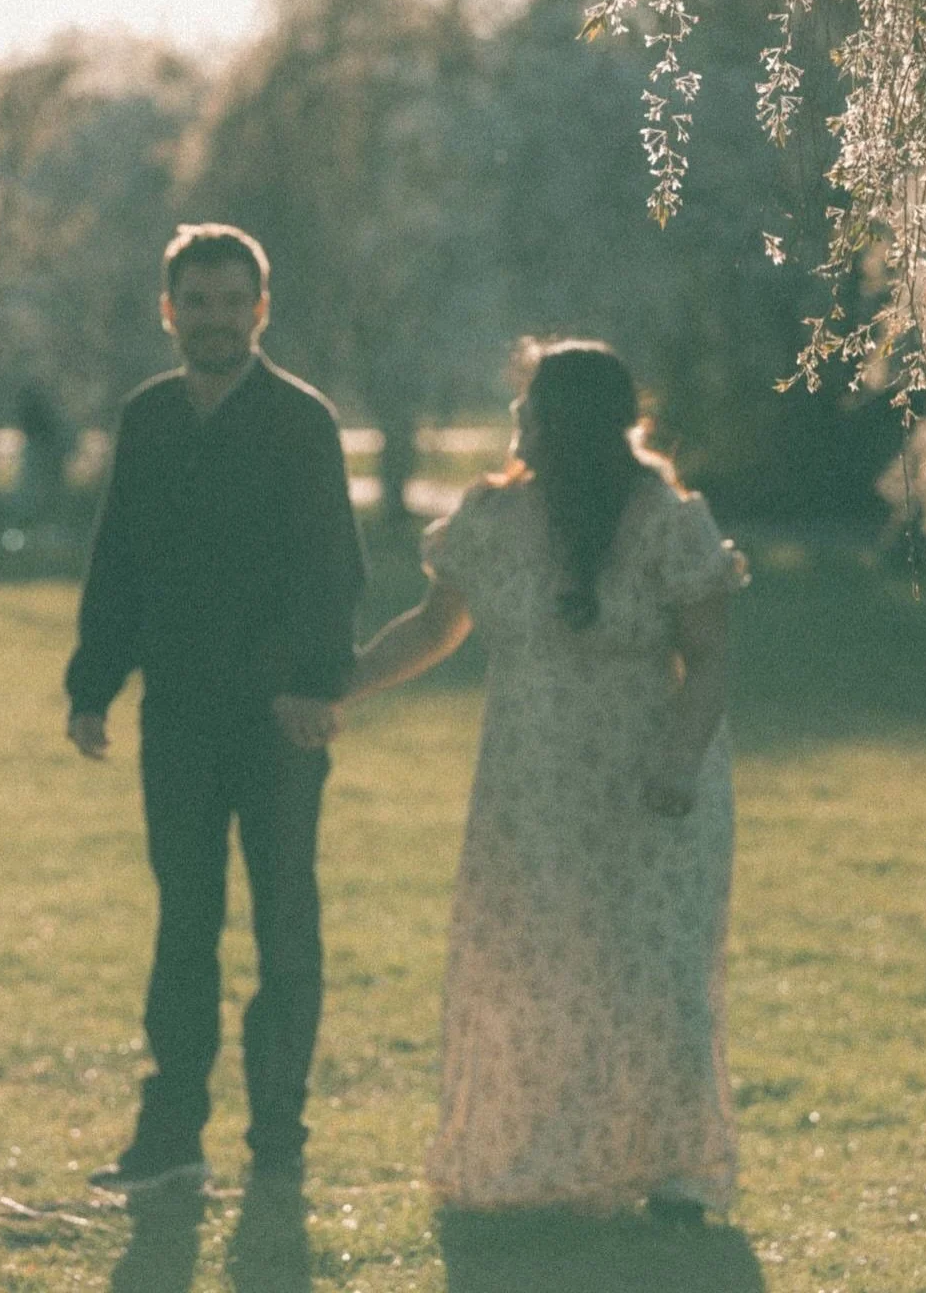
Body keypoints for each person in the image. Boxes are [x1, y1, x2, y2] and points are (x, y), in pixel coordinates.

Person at [347, 339, 746, 1219]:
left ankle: (671, 1173)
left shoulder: (670, 519)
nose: (519, 420)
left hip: (649, 783)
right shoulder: (491, 518)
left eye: (532, 407)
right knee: (534, 968)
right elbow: (430, 626)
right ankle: (545, 1166)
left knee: (651, 975)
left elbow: (710, 661)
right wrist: (347, 681)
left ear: (571, 423)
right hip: (531, 788)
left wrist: (678, 760)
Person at [65, 223, 364, 1193]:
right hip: (180, 716)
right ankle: (171, 1138)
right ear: (169, 310)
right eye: (197, 300)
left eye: (234, 301)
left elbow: (334, 570)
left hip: (280, 719)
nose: (216, 317)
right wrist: (91, 685)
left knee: (285, 922)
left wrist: (317, 687)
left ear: (261, 310)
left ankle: (278, 1140)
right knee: (183, 920)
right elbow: (118, 561)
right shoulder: (148, 418)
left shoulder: (301, 421)